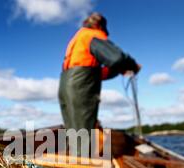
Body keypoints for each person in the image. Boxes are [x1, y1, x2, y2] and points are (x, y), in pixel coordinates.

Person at [58, 12, 141, 154]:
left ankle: (71, 162)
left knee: (73, 130)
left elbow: (94, 74)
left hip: (65, 84)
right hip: (80, 87)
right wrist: (132, 65)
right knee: (82, 135)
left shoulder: (78, 38)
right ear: (100, 26)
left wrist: (118, 71)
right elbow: (116, 58)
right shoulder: (92, 35)